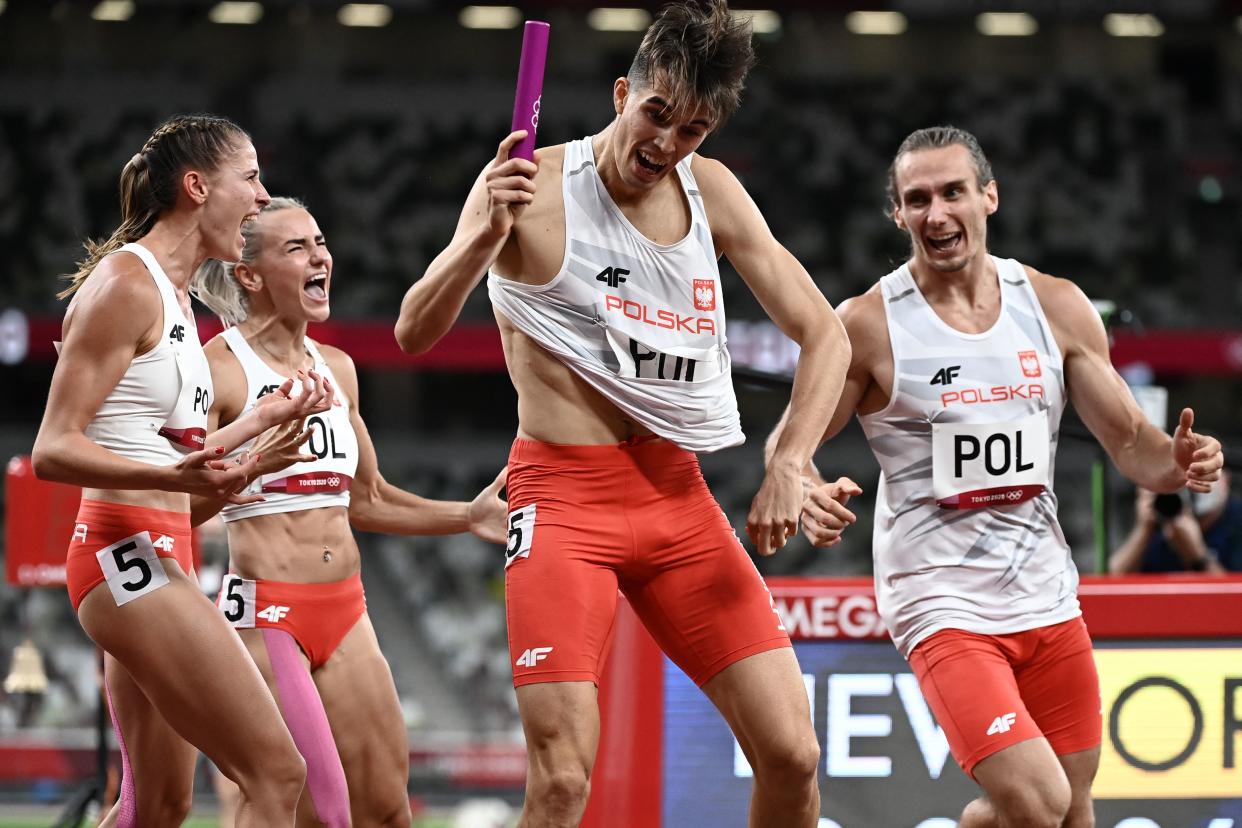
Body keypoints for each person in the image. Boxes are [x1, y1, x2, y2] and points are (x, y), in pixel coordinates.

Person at [395, 2, 851, 825]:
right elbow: (413, 332)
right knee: (564, 781)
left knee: (793, 754)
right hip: (563, 503)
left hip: (677, 498)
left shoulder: (710, 192)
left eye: (695, 129)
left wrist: (789, 461)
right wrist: (479, 239)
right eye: (658, 114)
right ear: (620, 94)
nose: (668, 145)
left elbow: (825, 334)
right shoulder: (529, 187)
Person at [769, 125, 1225, 828]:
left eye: (953, 192)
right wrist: (800, 484)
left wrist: (1179, 461)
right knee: (1040, 803)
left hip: (1044, 593)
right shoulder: (867, 325)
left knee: (1071, 813)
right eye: (917, 199)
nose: (937, 213)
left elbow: (1133, 443)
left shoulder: (1054, 306)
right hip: (941, 601)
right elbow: (789, 441)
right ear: (898, 214)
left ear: (989, 196)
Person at [31, 114, 332, 827]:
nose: (263, 199)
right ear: (197, 187)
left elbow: (163, 456)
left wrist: (255, 438)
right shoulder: (126, 285)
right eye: (251, 178)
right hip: (124, 554)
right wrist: (181, 480)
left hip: (159, 550)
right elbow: (52, 447)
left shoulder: (181, 301)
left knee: (157, 808)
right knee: (277, 771)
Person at [192, 196, 509, 828]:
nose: (321, 258)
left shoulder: (337, 368)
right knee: (311, 812)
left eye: (320, 242)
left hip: (346, 612)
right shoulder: (220, 371)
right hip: (267, 615)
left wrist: (467, 517)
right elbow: (178, 502)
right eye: (297, 248)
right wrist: (251, 464)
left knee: (389, 810)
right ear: (250, 275)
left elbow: (370, 499)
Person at [1110, 469, 1241, 573]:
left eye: (1201, 474)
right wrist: (1144, 529)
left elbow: (1235, 601)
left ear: (1225, 481)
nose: (1190, 486)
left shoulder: (1236, 522)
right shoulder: (1162, 518)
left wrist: (1199, 558)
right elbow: (1110, 587)